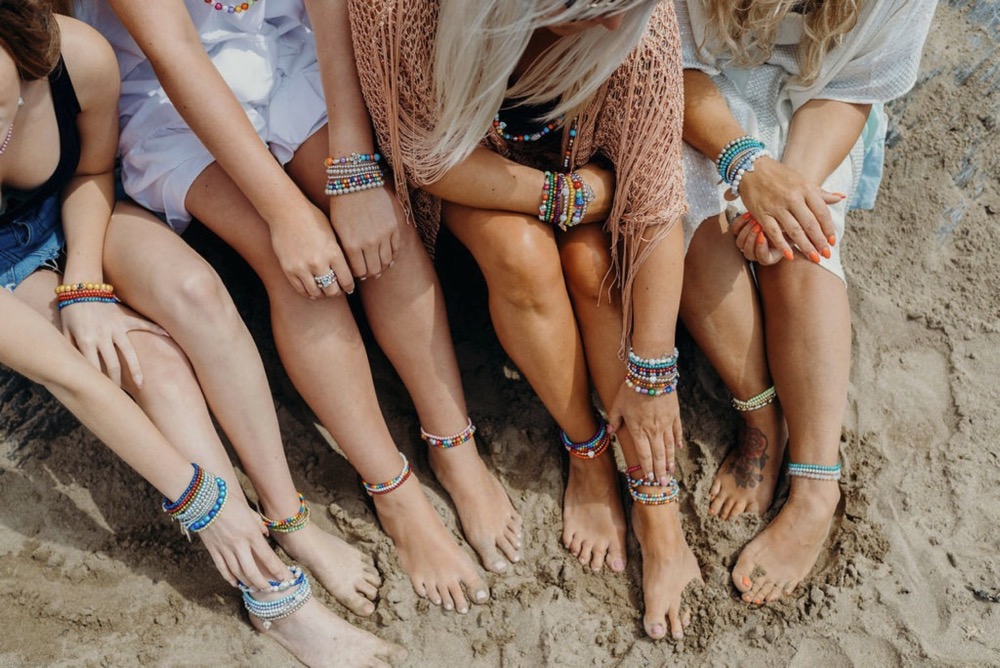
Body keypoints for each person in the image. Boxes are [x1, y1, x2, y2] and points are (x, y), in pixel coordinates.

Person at [73, 0, 522, 615]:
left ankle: (454, 445)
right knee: (295, 269)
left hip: (282, 50)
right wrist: (287, 214)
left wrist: (354, 166)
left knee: (380, 221)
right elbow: (174, 50)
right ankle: (392, 490)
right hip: (170, 98)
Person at [0, 3, 403, 666]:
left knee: (197, 294)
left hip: (70, 216)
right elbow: (65, 375)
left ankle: (287, 516)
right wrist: (204, 504)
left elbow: (91, 170)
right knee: (151, 360)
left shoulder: (76, 56)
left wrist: (85, 280)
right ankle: (274, 595)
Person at [349, 0, 701, 641]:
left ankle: (658, 507)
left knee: (595, 264)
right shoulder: (400, 10)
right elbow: (423, 153)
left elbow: (653, 197)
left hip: (592, 188)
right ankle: (587, 449)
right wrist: (566, 199)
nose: (617, 25)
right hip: (469, 178)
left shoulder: (639, 23)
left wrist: (654, 374)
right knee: (522, 256)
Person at [675, 0, 935, 605]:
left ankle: (818, 486)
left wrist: (789, 190)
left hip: (815, 97)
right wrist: (744, 164)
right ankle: (762, 421)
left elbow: (853, 82)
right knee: (687, 219)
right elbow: (662, 56)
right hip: (693, 87)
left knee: (805, 236)